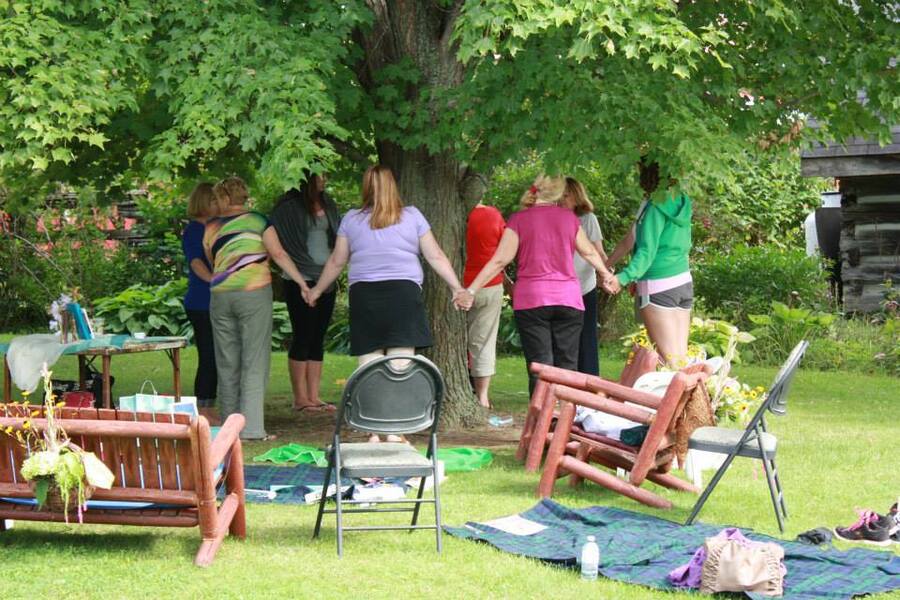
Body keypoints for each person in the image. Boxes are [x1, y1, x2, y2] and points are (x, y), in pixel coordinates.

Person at [306, 165, 465, 441]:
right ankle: (396, 431)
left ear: (365, 187)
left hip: (366, 297)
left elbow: (336, 261)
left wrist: (316, 290)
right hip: (403, 295)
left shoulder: (351, 220)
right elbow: (436, 255)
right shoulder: (412, 216)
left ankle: (372, 430)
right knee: (401, 363)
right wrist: (457, 287)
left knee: (368, 364)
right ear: (394, 186)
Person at [455, 175, 616, 395]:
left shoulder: (519, 220)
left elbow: (500, 260)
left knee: (540, 366)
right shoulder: (569, 218)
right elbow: (589, 251)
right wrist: (606, 274)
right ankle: (564, 420)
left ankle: (541, 421)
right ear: (559, 193)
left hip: (532, 301)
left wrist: (471, 290)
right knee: (567, 366)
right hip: (569, 299)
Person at [204, 176, 311, 441]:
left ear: (225, 198)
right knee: (254, 360)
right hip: (253, 294)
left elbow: (212, 259)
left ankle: (229, 430)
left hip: (220, 295)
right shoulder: (259, 221)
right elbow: (279, 254)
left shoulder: (212, 226)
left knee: (227, 361)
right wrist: (301, 283)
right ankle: (251, 429)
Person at [606, 161, 694, 367]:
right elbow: (632, 239)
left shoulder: (654, 207)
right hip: (683, 282)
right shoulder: (681, 200)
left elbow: (647, 251)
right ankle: (697, 398)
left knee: (671, 364)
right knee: (680, 360)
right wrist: (605, 264)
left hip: (658, 286)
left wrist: (623, 277)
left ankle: (699, 398)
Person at [270, 173, 340, 414]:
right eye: (321, 176)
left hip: (326, 278)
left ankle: (314, 395)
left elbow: (338, 237)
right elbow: (282, 245)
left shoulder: (328, 203)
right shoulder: (289, 208)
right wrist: (304, 282)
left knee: (318, 336)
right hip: (300, 279)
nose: (325, 180)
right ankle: (300, 397)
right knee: (303, 335)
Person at [181, 183, 219, 424]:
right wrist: (216, 280)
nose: (218, 205)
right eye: (214, 200)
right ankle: (203, 407)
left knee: (216, 354)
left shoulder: (216, 228)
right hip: (201, 300)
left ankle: (210, 404)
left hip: (215, 298)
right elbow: (196, 262)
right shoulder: (194, 230)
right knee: (208, 354)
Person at [463, 201, 506, 409]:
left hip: (457, 285)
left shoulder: (454, 213)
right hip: (488, 285)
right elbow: (504, 251)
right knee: (483, 342)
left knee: (456, 341)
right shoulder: (493, 214)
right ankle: (482, 397)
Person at [562, 177, 608, 376]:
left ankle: (590, 381)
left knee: (586, 337)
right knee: (564, 338)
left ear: (576, 195)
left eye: (566, 195)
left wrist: (606, 273)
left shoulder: (588, 219)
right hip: (561, 288)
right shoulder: (553, 217)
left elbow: (598, 251)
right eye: (560, 195)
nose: (562, 199)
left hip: (584, 286)